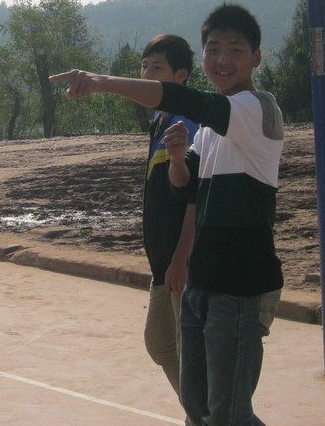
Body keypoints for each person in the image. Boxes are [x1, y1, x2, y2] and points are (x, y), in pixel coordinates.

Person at [50, 2, 283, 426]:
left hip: (241, 285)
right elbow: (184, 185)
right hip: (202, 282)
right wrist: (177, 158)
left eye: (235, 50)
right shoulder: (209, 130)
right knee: (197, 407)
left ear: (256, 57)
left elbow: (184, 99)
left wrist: (101, 82)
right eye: (214, 49)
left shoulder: (256, 109)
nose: (223, 59)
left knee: (228, 415)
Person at [136, 35, 198, 406]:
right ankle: (202, 414)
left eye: (156, 68)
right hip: (163, 263)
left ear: (181, 75)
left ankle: (206, 415)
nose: (146, 75)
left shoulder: (186, 121)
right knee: (160, 343)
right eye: (144, 66)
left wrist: (181, 259)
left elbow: (194, 197)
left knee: (188, 352)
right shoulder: (160, 122)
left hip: (181, 264)